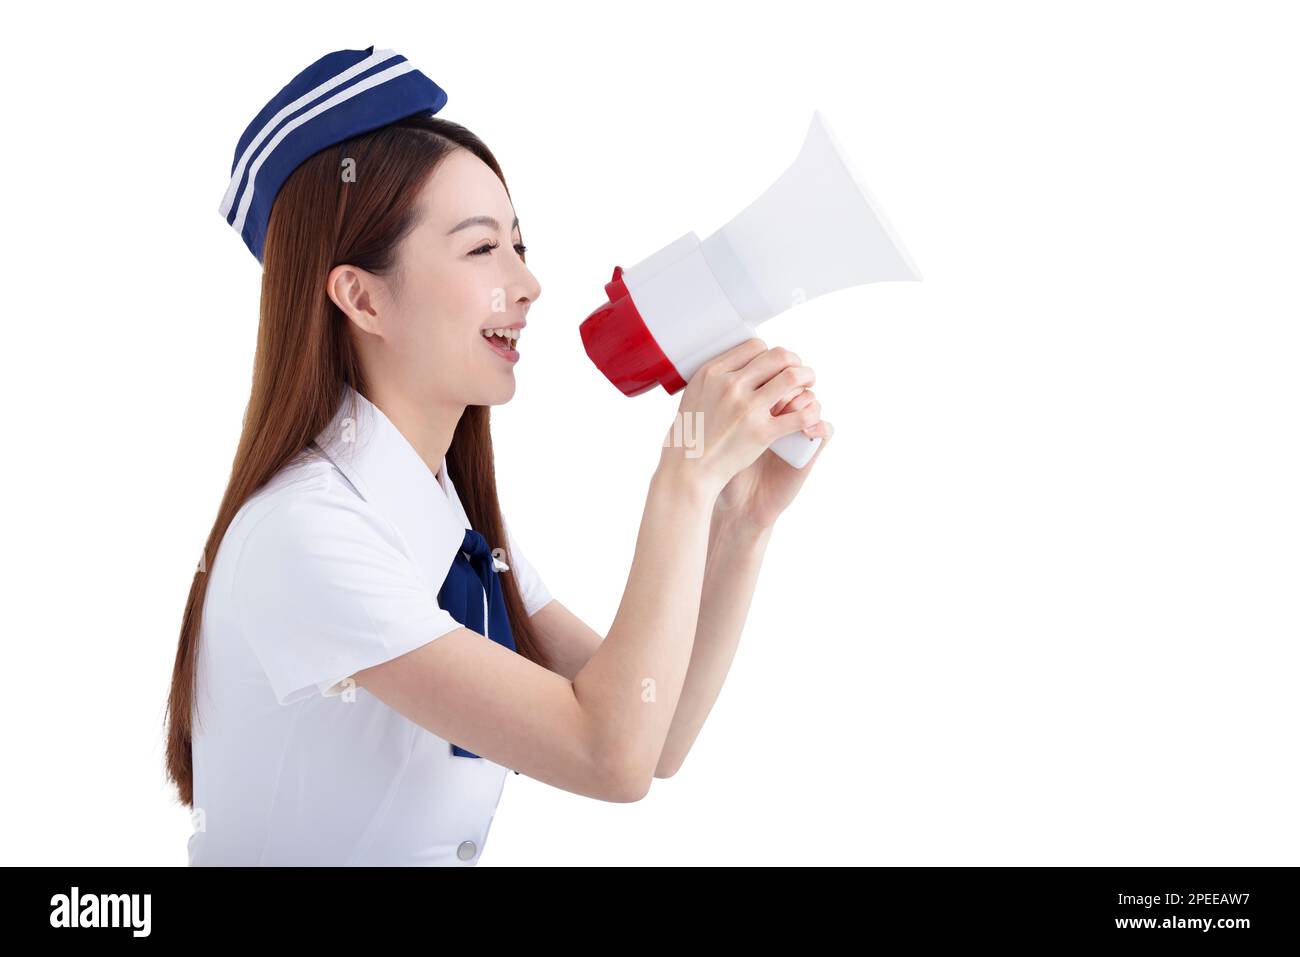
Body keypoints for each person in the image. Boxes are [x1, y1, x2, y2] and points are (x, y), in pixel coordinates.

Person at [165, 46, 832, 865]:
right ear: (362, 296)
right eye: (483, 250)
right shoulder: (307, 533)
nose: (528, 284)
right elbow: (606, 753)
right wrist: (683, 479)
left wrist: (741, 517)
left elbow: (656, 730)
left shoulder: (450, 519)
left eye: (519, 246)